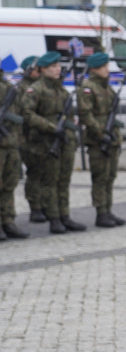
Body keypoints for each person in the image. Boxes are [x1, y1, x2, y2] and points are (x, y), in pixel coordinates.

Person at [20, 51, 86, 234]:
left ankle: (65, 216)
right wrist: (50, 127)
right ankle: (54, 219)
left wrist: (71, 132)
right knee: (50, 181)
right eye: (52, 67)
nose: (57, 69)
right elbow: (27, 114)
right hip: (46, 142)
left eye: (58, 66)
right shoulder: (36, 89)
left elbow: (70, 116)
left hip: (64, 141)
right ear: (43, 69)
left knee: (64, 181)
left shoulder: (62, 90)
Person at [76, 52, 125, 227]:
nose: (107, 69)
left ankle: (108, 209)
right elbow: (86, 115)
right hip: (98, 139)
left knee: (110, 176)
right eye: (104, 67)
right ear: (95, 69)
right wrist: (100, 133)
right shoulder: (88, 87)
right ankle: (100, 212)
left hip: (111, 137)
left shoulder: (106, 86)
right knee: (100, 177)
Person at [16, 56, 46, 223]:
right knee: (34, 173)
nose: (39, 72)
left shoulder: (41, 87)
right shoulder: (23, 89)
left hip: (42, 136)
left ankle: (46, 205)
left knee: (45, 174)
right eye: (36, 70)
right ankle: (35, 207)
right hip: (28, 138)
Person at [0, 70, 29, 240]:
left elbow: (19, 112)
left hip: (11, 142)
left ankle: (8, 220)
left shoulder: (9, 86)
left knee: (9, 185)